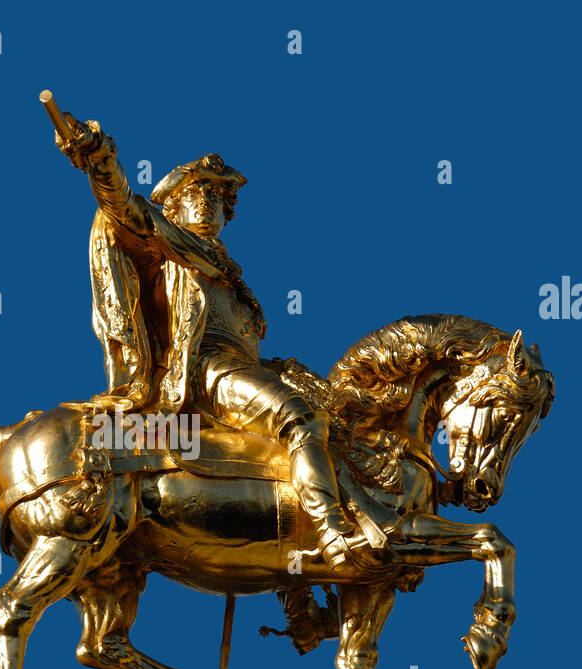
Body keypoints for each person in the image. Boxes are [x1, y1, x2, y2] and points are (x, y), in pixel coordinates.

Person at [55, 113, 379, 571]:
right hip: (208, 374)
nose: (205, 203)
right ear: (174, 208)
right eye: (194, 194)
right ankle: (331, 530)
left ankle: (300, 590)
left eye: (215, 197)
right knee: (300, 420)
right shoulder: (168, 247)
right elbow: (124, 206)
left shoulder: (226, 270)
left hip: (241, 372)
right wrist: (101, 159)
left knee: (327, 433)